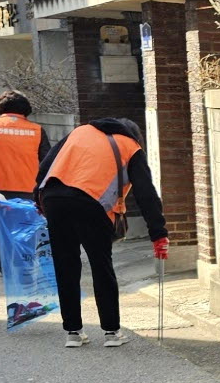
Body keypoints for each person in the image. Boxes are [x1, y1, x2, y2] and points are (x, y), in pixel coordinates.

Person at [36, 117, 169, 348]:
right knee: (101, 266)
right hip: (91, 204)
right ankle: (111, 332)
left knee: (65, 265)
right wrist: (158, 233)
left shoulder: (80, 132)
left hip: (53, 198)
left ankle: (73, 333)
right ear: (134, 134)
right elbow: (146, 193)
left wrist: (38, 198)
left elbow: (46, 166)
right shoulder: (131, 146)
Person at [0, 92, 51, 272]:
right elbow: (47, 161)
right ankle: (24, 261)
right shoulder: (37, 130)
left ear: (1, 108)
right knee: (27, 226)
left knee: (3, 225)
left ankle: (0, 262)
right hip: (29, 186)